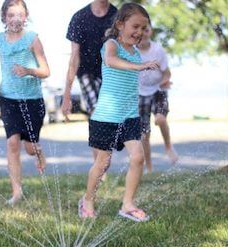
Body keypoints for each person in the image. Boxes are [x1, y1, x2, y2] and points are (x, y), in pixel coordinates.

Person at [78, 2, 159, 222]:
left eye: (143, 28)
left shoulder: (136, 52)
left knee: (138, 157)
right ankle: (87, 200)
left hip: (130, 116)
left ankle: (127, 204)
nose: (139, 32)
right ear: (120, 24)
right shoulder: (111, 44)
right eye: (135, 26)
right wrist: (139, 67)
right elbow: (111, 61)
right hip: (106, 117)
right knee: (103, 164)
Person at [0, 0, 50, 205]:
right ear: (4, 17)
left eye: (19, 15)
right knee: (12, 143)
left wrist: (29, 71)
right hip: (8, 99)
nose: (15, 19)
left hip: (33, 100)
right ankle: (17, 192)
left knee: (30, 148)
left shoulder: (33, 39)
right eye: (11, 15)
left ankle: (38, 152)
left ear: (26, 16)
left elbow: (46, 71)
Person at [61, 0, 117, 172]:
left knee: (109, 118)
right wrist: (67, 93)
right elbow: (74, 58)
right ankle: (99, 166)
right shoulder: (80, 18)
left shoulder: (118, 16)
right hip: (87, 73)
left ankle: (102, 159)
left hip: (112, 72)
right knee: (96, 112)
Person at [138, 25, 178, 173]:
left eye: (146, 30)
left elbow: (167, 73)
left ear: (150, 32)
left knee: (160, 119)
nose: (143, 34)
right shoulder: (133, 52)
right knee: (144, 134)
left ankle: (168, 147)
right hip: (140, 94)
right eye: (140, 31)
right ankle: (148, 166)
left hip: (158, 90)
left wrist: (164, 81)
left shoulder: (157, 50)